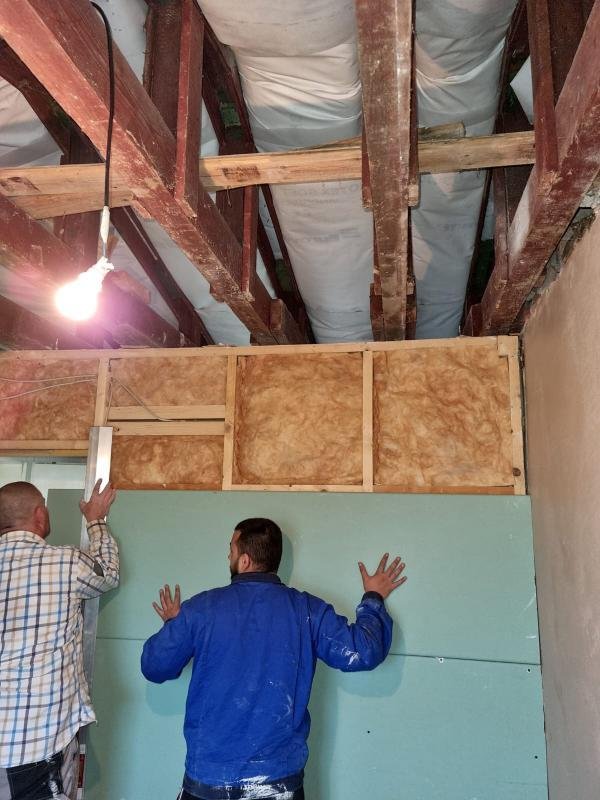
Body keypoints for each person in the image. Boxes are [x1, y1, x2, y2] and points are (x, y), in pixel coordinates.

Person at [141, 517, 406, 800]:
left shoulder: (201, 609)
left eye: (231, 549)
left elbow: (155, 666)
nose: (228, 556)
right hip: (278, 784)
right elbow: (363, 651)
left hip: (209, 782)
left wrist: (174, 627)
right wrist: (373, 597)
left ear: (244, 560)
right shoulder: (306, 610)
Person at [0, 479, 119, 800]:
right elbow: (108, 572)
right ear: (40, 515)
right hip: (35, 743)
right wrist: (95, 520)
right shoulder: (65, 563)